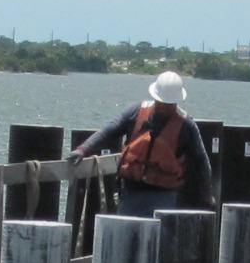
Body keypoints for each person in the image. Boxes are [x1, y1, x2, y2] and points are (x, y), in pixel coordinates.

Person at [74, 71, 204, 217]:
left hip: (164, 198)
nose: (165, 107)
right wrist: (83, 149)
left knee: (159, 238)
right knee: (128, 237)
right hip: (131, 195)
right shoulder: (136, 112)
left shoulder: (187, 125)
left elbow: (201, 161)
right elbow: (108, 131)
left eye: (169, 104)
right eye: (162, 103)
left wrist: (207, 196)